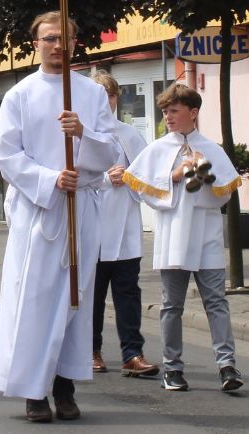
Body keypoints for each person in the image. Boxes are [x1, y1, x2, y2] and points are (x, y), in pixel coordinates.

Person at [0, 13, 117, 422]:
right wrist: (49, 179)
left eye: (66, 38)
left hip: (81, 209)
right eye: (50, 38)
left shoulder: (91, 94)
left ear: (77, 43)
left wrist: (83, 134)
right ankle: (32, 390)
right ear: (36, 43)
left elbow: (111, 149)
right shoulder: (20, 94)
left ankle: (65, 384)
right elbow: (7, 153)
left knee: (75, 300)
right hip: (39, 211)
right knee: (35, 299)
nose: (58, 45)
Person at [124, 84, 244, 394]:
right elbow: (139, 187)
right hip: (174, 233)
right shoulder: (158, 148)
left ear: (193, 113)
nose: (168, 116)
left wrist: (204, 176)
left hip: (206, 234)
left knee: (216, 302)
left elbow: (225, 193)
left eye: (173, 110)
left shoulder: (212, 149)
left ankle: (227, 365)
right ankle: (172, 368)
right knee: (171, 305)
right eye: (165, 111)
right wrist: (173, 176)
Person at [89, 72, 158, 378]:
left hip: (125, 230)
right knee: (91, 296)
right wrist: (106, 179)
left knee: (128, 294)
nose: (107, 102)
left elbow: (148, 180)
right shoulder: (82, 134)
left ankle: (132, 352)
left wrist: (127, 177)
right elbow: (72, 178)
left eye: (112, 96)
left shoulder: (130, 135)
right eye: (101, 96)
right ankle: (90, 350)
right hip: (91, 229)